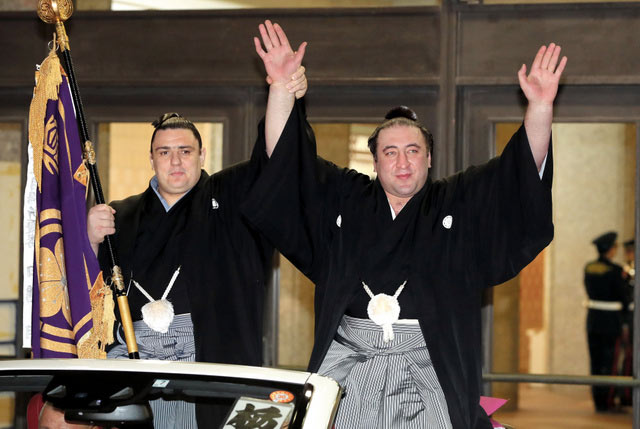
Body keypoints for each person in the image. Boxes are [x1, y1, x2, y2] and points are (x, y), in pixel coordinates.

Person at [244, 20, 564, 428]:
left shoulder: (457, 201)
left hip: (431, 366)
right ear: (375, 161)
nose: (402, 162)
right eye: (390, 152)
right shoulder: (346, 198)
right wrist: (280, 89)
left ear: (429, 158)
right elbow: (288, 168)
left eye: (413, 150)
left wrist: (540, 108)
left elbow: (517, 177)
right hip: (350, 365)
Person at [86, 69, 307, 427]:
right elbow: (85, 296)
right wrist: (89, 240)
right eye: (164, 152)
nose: (175, 161)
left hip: (209, 358)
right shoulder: (119, 215)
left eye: (185, 151)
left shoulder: (233, 200)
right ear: (152, 158)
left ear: (202, 155)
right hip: (134, 363)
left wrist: (281, 93)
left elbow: (274, 162)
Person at [584, 231, 631, 412]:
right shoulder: (616, 270)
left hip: (593, 319)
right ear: (611, 250)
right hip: (611, 321)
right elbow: (624, 296)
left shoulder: (589, 267)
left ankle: (598, 400)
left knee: (595, 362)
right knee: (609, 362)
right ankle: (608, 401)